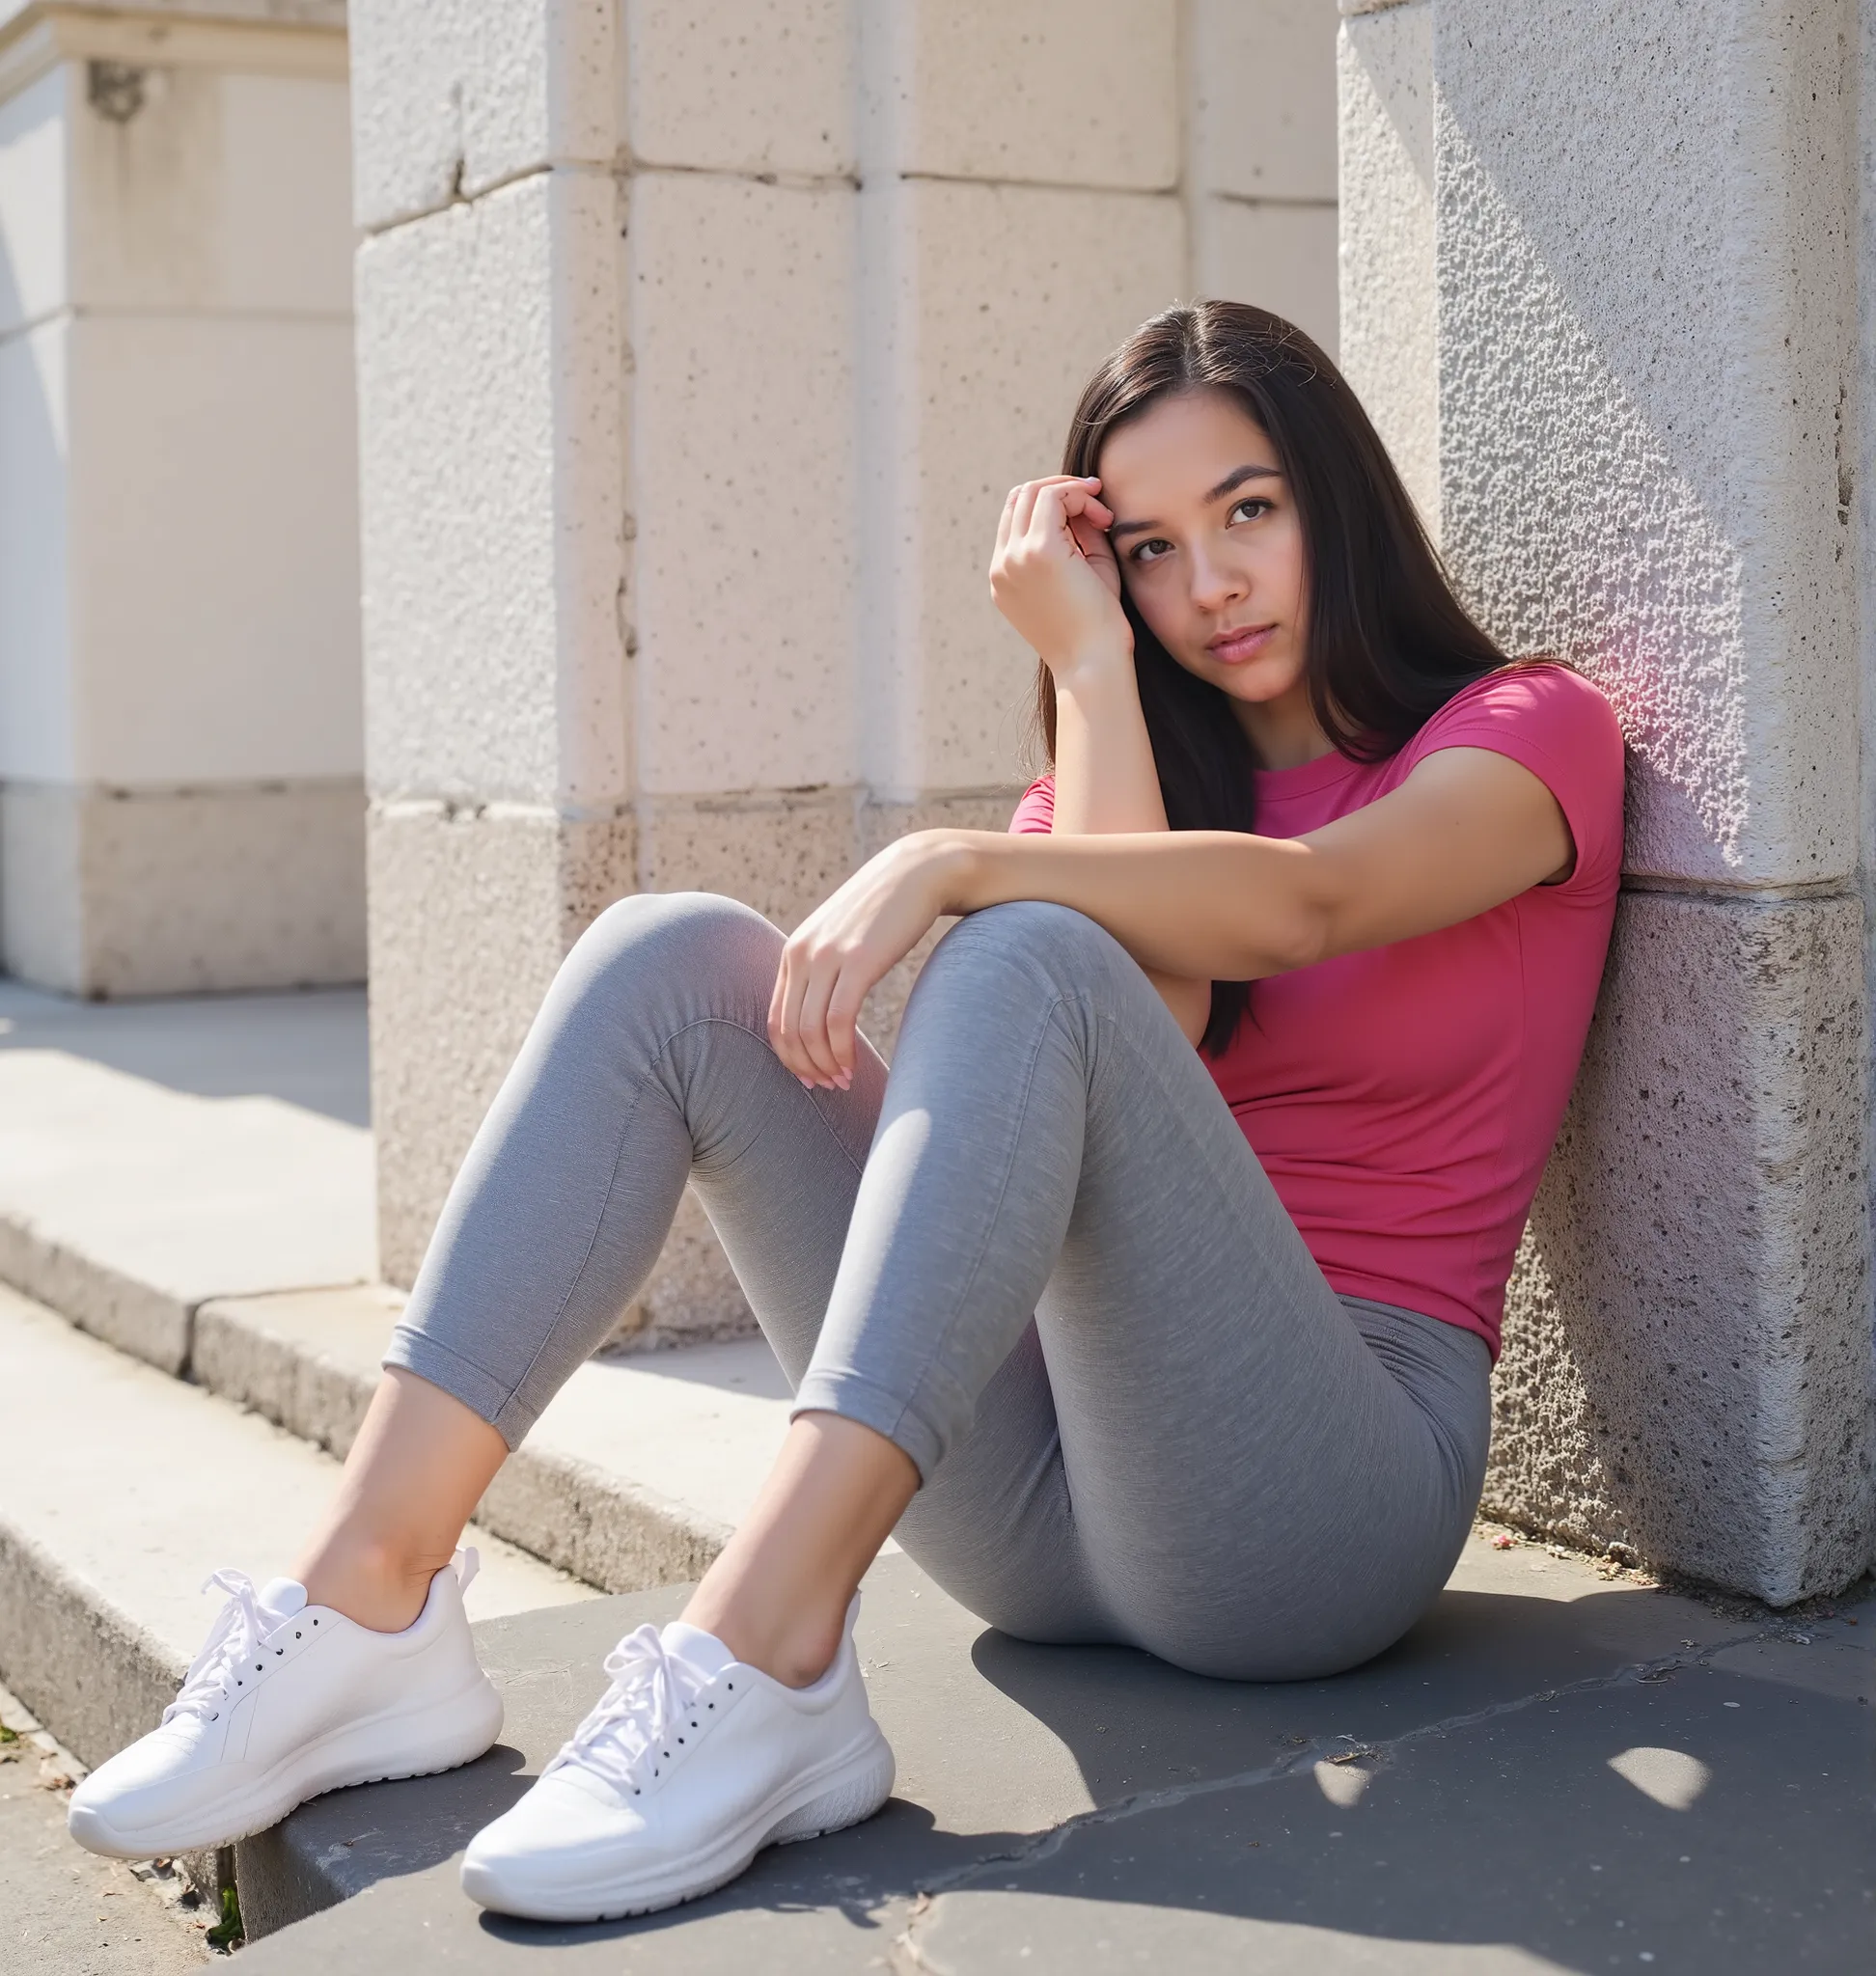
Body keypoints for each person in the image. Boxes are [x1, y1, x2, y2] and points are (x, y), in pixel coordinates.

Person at [66, 301, 1624, 1925]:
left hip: (1320, 1505)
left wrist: (952, 858)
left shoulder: (1527, 735)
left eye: (1249, 511)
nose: (1209, 584)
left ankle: (769, 1652)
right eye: (1148, 550)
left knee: (1026, 942)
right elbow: (1141, 994)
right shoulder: (1130, 784)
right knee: (669, 961)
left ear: (1339, 498)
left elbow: (1304, 907)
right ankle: (369, 1605)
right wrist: (1090, 666)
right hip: (1042, 1516)